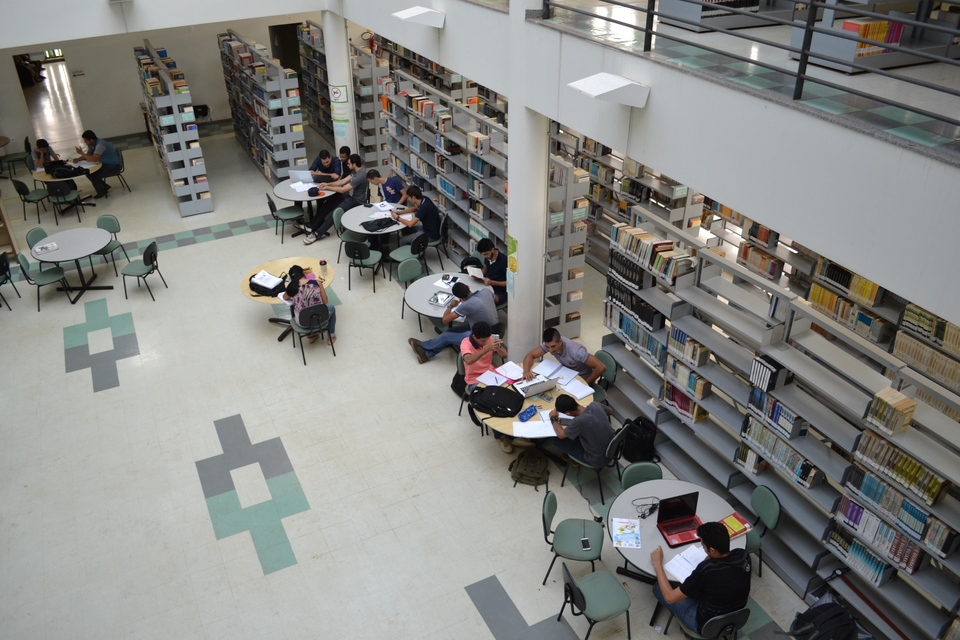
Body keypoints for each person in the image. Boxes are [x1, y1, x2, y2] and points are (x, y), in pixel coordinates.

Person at [650, 522, 751, 634]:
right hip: (737, 615)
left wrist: (657, 563)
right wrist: (712, 558)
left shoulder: (707, 570)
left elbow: (670, 597)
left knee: (658, 588)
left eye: (703, 546)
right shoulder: (742, 555)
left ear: (712, 550)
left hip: (707, 624)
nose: (703, 549)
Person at [409, 281, 497, 363]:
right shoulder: (486, 291)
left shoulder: (466, 305)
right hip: (493, 327)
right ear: (468, 287)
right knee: (450, 331)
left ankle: (422, 346)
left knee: (446, 336)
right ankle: (427, 354)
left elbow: (445, 320)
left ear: (460, 298)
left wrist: (450, 306)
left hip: (483, 336)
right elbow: (496, 300)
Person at [301, 153, 369, 245]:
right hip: (349, 195)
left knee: (335, 212)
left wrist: (327, 187)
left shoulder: (360, 175)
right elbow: (343, 181)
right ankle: (311, 225)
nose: (347, 165)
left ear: (354, 164)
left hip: (356, 200)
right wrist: (327, 184)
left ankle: (317, 234)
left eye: (349, 163)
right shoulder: (355, 171)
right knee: (328, 204)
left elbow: (342, 189)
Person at [522, 328, 606, 384]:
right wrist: (526, 372)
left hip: (582, 378)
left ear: (560, 341)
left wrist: (585, 384)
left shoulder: (576, 352)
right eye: (547, 347)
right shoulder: (550, 344)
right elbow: (530, 355)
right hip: (566, 374)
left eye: (553, 347)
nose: (550, 350)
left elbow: (601, 367)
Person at [548, 394, 615, 465]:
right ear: (573, 399)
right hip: (613, 449)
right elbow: (610, 411)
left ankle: (576, 459)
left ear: (568, 413)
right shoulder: (595, 405)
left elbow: (561, 435)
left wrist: (553, 418)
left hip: (597, 459)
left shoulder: (578, 421)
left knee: (557, 440)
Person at [281, 265, 337, 345]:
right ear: (304, 272)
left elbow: (285, 297)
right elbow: (325, 302)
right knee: (331, 308)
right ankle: (331, 335)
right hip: (320, 320)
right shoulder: (317, 282)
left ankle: (312, 336)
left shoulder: (292, 287)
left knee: (304, 311)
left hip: (302, 323)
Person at [74, 130, 121, 199]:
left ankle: (102, 193)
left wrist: (81, 153)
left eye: (86, 140)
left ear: (91, 139)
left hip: (114, 166)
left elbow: (94, 159)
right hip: (106, 164)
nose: (85, 142)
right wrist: (77, 159)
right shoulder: (92, 144)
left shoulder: (100, 145)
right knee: (89, 173)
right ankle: (105, 187)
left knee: (94, 176)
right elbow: (89, 155)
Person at [475, 238, 507, 305]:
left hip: (500, 291)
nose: (485, 256)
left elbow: (509, 284)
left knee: (483, 303)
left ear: (492, 250)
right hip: (488, 285)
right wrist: (476, 273)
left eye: (486, 254)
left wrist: (492, 282)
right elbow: (485, 270)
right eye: (483, 254)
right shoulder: (488, 258)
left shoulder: (504, 261)